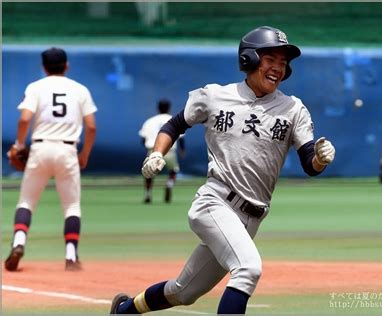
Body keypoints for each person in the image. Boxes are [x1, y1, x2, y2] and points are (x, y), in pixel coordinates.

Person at [110, 26, 335, 314]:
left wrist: (320, 158)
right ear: (249, 59)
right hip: (215, 203)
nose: (278, 68)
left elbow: (309, 164)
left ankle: (125, 310)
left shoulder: (293, 109)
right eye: (270, 59)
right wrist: (157, 154)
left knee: (184, 291)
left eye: (283, 62)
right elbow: (175, 125)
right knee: (248, 269)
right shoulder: (215, 96)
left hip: (252, 217)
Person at [4, 47, 98, 272]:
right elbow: (92, 126)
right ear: (67, 65)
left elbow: (24, 119)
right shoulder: (80, 89)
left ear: (43, 67)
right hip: (67, 151)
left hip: (40, 148)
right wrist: (84, 155)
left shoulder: (36, 87)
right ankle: (71, 256)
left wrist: (18, 145)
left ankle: (18, 243)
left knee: (26, 202)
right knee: (71, 206)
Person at [138, 99, 185, 204]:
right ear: (169, 108)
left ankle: (148, 193)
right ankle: (169, 184)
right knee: (173, 170)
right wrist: (182, 150)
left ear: (158, 108)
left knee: (149, 172)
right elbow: (181, 138)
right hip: (170, 151)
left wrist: (149, 149)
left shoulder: (149, 121)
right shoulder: (173, 119)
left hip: (153, 151)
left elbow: (143, 139)